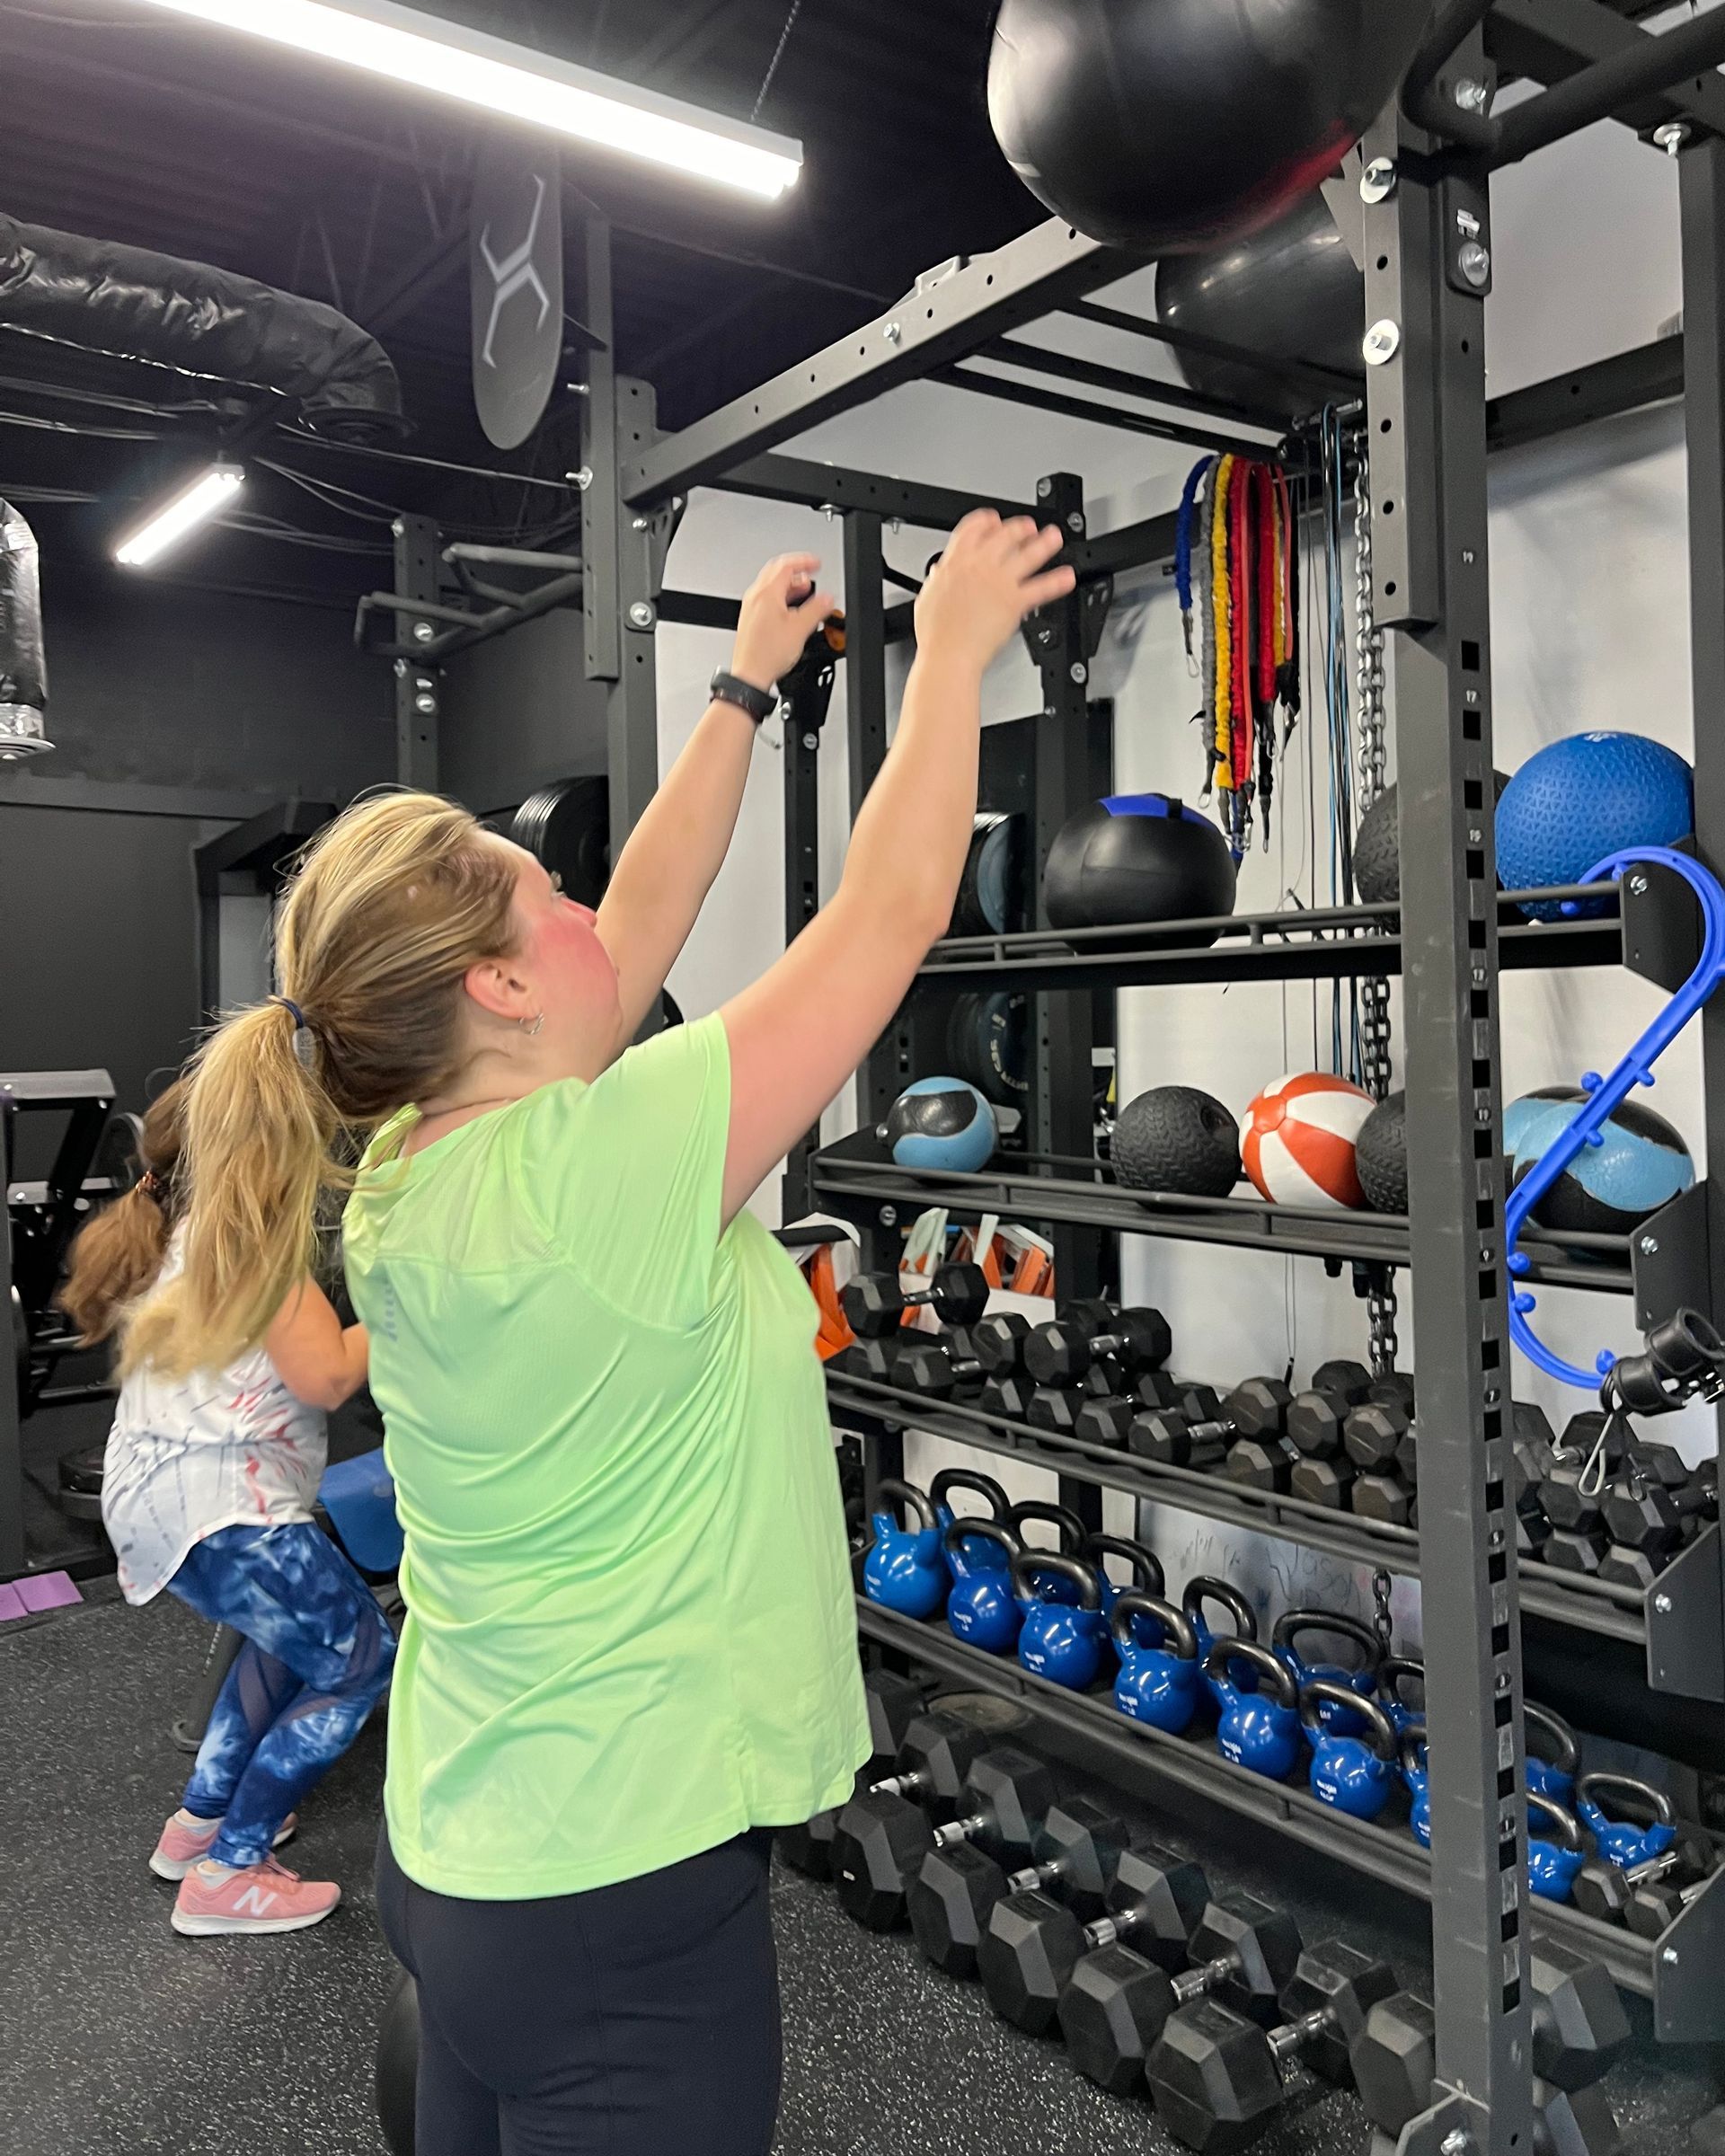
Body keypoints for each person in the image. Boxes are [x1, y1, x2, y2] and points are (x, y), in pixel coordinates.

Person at [146, 509, 1073, 2152]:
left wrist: (741, 691)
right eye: (542, 888)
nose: (586, 900)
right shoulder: (606, 1162)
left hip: (466, 1855)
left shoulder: (418, 1182)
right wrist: (951, 655)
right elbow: (891, 912)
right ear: (499, 992)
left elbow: (628, 924)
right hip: (620, 1906)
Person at [61, 1078, 391, 1935]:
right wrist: (411, 1296)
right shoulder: (246, 1242)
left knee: (285, 1644)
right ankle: (230, 1870)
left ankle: (199, 1821)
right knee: (360, 1658)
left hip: (162, 1497)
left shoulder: (181, 1230)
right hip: (223, 1504)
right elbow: (329, 1372)